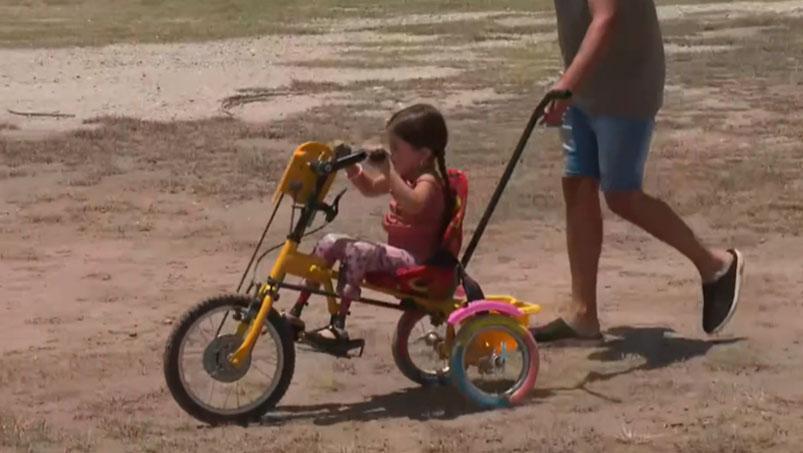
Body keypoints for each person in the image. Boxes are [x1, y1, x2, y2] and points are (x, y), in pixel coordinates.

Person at [533, 0, 745, 341]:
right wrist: (571, 83)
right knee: (577, 184)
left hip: (625, 86)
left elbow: (607, 17)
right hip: (582, 85)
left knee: (621, 194)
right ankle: (583, 314)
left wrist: (566, 84)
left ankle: (716, 265)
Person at [285, 104, 454, 341]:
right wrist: (352, 166)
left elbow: (414, 203)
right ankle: (297, 309)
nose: (392, 155)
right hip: (398, 256)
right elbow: (370, 188)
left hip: (416, 261)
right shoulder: (405, 177)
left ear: (423, 155)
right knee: (329, 241)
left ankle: (339, 324)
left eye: (396, 149)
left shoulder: (428, 182)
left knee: (359, 251)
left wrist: (389, 171)